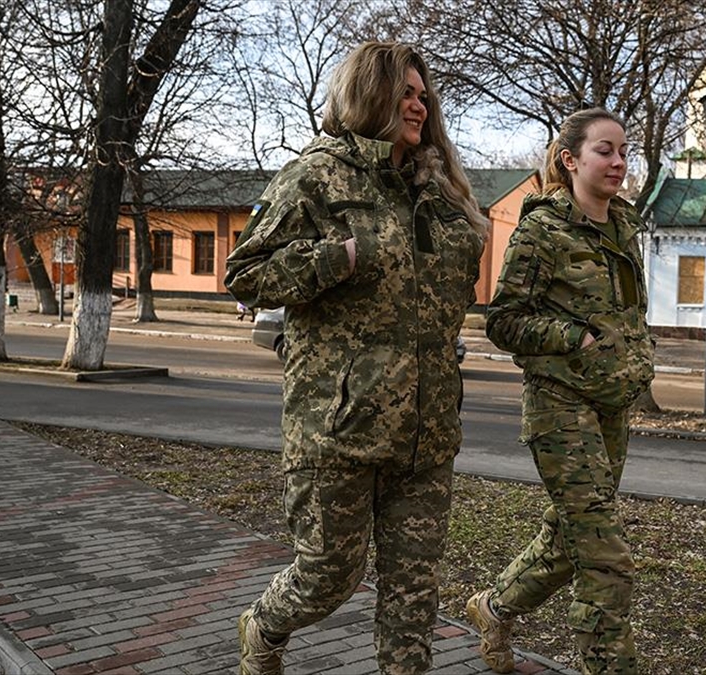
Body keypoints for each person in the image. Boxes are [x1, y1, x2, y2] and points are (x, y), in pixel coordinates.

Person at [223, 42, 487, 675]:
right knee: (327, 576)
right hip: (336, 428)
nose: (419, 104)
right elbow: (244, 274)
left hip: (426, 435)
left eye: (425, 94)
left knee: (414, 596)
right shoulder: (315, 175)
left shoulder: (440, 193)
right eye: (406, 92)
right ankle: (263, 626)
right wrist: (330, 259)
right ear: (371, 94)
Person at [465, 108, 655, 675]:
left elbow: (627, 311)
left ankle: (494, 607)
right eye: (605, 150)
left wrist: (637, 356)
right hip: (559, 406)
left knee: (567, 538)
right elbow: (502, 321)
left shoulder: (623, 225)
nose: (618, 161)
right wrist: (575, 335)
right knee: (604, 556)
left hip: (611, 404)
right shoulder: (542, 229)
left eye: (623, 151)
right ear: (571, 159)